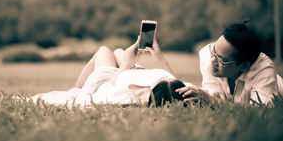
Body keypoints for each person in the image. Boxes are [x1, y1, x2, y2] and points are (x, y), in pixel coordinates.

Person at [25, 37, 190, 108]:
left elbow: (109, 88)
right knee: (118, 50)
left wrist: (126, 65)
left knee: (104, 50)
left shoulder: (127, 94)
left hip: (110, 81)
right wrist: (160, 58)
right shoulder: (176, 87)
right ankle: (125, 59)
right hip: (134, 72)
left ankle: (77, 90)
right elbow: (175, 81)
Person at [176, 23, 283, 105]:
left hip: (278, 88)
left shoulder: (264, 70)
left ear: (243, 66)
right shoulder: (208, 54)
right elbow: (211, 87)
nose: (212, 61)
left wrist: (212, 101)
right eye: (214, 51)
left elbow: (260, 112)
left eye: (222, 60)